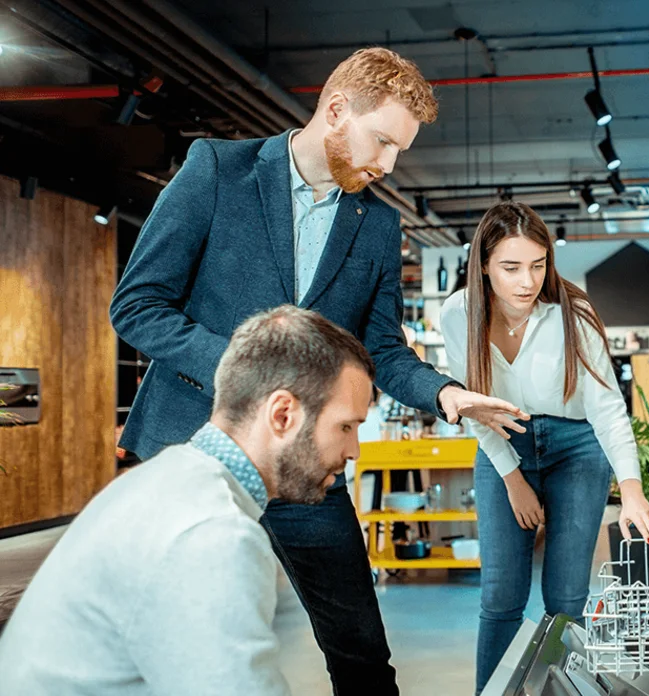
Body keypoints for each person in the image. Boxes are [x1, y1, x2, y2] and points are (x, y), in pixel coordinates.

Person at [108, 47, 527, 694]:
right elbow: (137, 305)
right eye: (382, 141)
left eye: (399, 151)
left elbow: (380, 350)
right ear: (336, 111)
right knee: (171, 653)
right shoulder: (218, 171)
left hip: (308, 466)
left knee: (361, 654)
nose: (388, 165)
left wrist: (445, 394)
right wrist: (251, 369)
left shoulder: (377, 223)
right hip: (195, 449)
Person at [0, 305, 374, 695]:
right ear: (282, 414)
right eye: (346, 426)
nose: (354, 451)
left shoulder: (168, 481)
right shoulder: (215, 535)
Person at [440, 201, 649, 693]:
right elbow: (475, 406)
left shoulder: (574, 311)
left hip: (576, 448)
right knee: (501, 596)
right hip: (504, 440)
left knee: (567, 598)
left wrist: (631, 490)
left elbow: (607, 408)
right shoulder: (458, 313)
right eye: (510, 267)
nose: (527, 281)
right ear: (483, 264)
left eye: (538, 265)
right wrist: (512, 478)